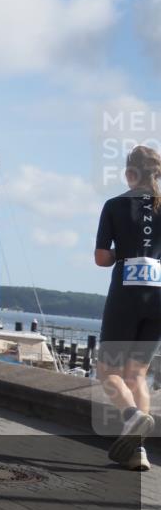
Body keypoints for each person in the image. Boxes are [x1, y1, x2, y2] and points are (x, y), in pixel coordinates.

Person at [95, 145, 161, 471]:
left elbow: (101, 258)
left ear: (129, 174)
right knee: (138, 375)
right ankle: (139, 452)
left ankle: (132, 416)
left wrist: (121, 252)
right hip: (158, 298)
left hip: (125, 296)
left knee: (107, 371)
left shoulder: (114, 205)